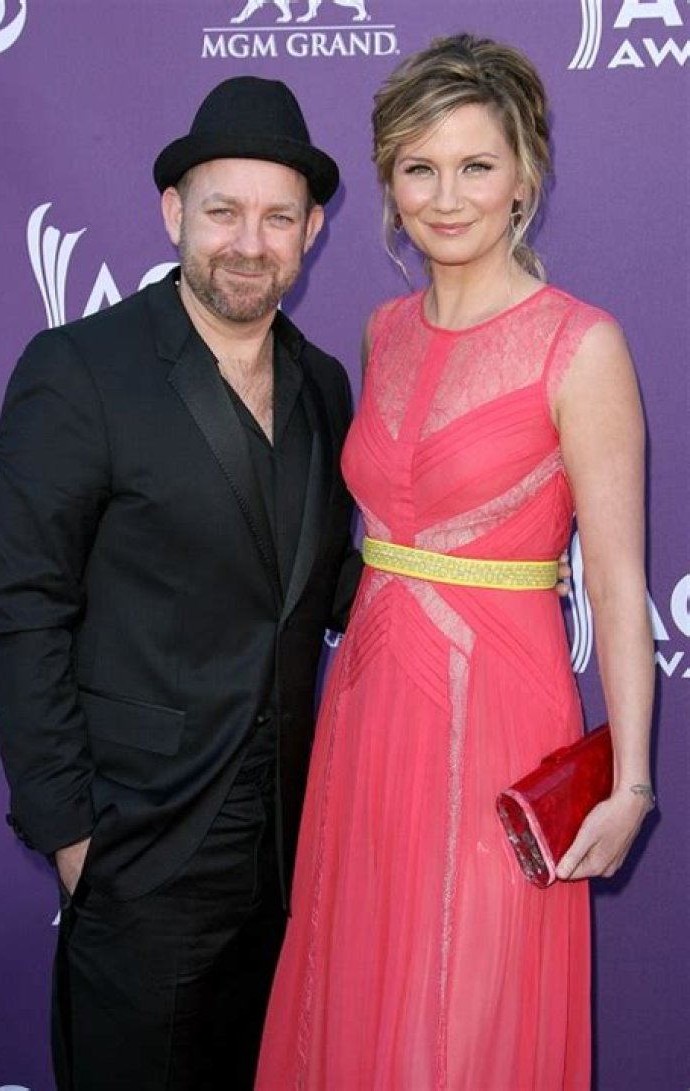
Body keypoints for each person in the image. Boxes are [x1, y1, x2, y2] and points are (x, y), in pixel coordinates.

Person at [256, 34, 655, 1090]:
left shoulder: (582, 345)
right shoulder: (383, 329)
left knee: (469, 1015)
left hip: (500, 715)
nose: (445, 197)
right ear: (388, 181)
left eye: (476, 165)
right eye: (418, 167)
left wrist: (631, 781)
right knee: (357, 989)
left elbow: (617, 583)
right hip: (369, 704)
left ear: (525, 177)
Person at [0, 76, 363, 1091]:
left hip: (287, 858)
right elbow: (21, 612)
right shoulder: (80, 368)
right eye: (223, 211)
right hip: (139, 849)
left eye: (277, 216)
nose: (249, 243)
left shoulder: (325, 384)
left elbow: (335, 585)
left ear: (313, 230)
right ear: (172, 212)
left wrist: (480, 577)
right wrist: (72, 835)